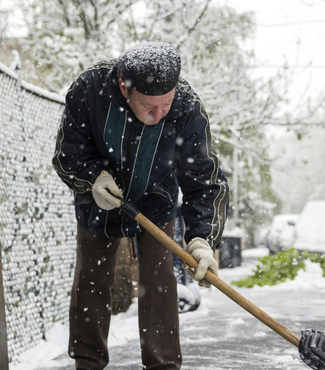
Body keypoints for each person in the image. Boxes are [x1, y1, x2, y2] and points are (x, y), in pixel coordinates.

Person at [52, 42, 229, 370]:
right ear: (124, 86)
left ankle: (163, 364)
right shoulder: (90, 90)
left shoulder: (186, 107)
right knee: (92, 277)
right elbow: (67, 154)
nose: (159, 113)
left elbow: (203, 180)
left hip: (155, 199)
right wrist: (93, 177)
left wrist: (202, 239)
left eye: (166, 103)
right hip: (101, 197)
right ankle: (88, 361)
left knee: (159, 279)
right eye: (149, 105)